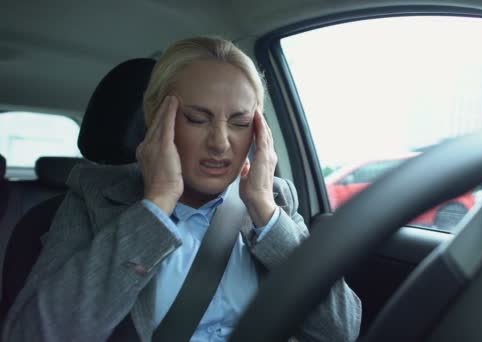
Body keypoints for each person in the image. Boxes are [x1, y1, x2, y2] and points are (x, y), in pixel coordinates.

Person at [3, 37, 361, 341]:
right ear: (154, 116)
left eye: (239, 122)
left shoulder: (275, 200)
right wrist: (156, 206)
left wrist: (266, 214)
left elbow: (340, 330)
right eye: (197, 118)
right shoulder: (93, 201)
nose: (221, 143)